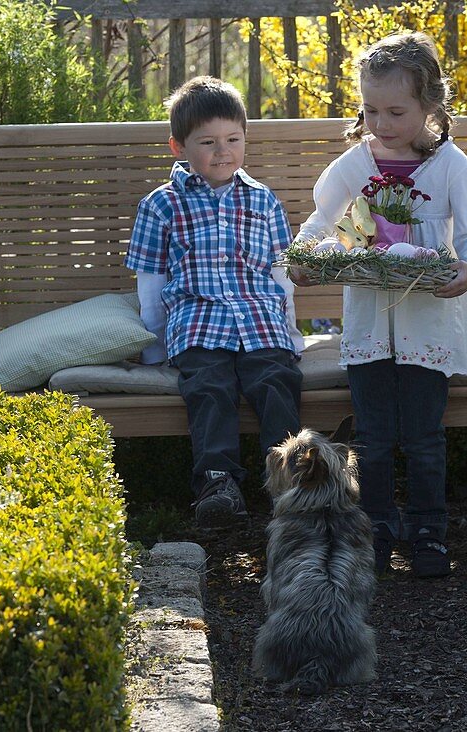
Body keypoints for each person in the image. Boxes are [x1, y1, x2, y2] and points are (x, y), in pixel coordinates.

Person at [293, 32, 467, 578]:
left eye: (396, 111)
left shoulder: (453, 169)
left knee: (424, 437)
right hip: (369, 327)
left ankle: (429, 532)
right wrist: (306, 259)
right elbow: (317, 226)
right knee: (374, 437)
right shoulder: (354, 167)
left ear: (431, 105)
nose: (381, 123)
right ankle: (375, 528)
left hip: (430, 324)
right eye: (370, 109)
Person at [126, 76, 305, 529]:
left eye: (232, 139)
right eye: (207, 142)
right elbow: (151, 281)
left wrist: (292, 330)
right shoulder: (161, 205)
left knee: (276, 381)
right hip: (197, 320)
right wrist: (154, 344)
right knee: (209, 388)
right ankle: (217, 481)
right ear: (178, 147)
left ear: (246, 139)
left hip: (260, 319)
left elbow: (280, 272)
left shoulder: (263, 200)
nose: (222, 151)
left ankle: (288, 485)